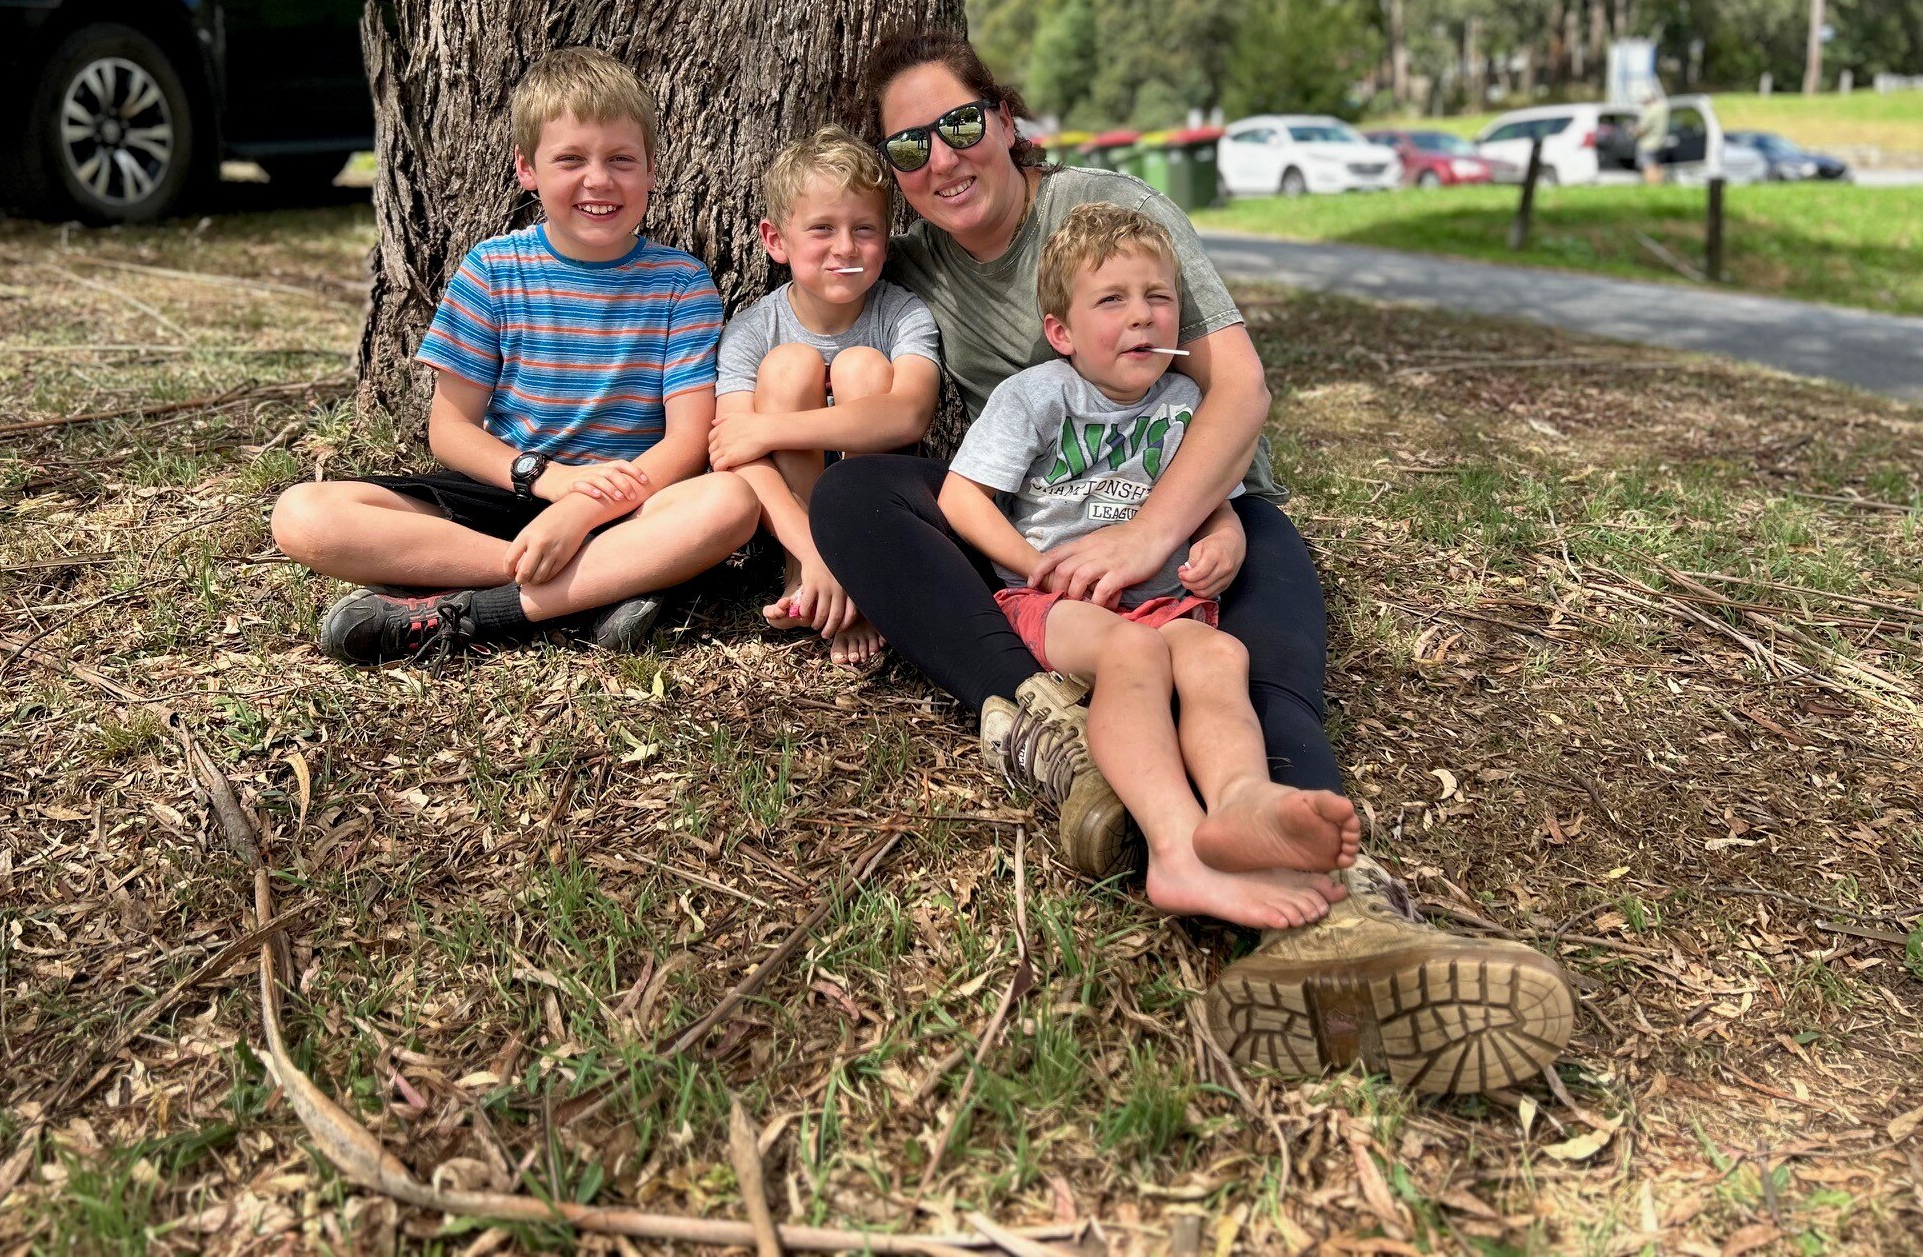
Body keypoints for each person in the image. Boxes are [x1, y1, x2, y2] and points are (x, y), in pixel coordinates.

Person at [808, 30, 1573, 1095]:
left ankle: (1342, 917)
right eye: (908, 147)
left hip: (1198, 516)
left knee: (1247, 639)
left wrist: (1172, 530)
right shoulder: (909, 264)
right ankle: (1064, 747)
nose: (941, 159)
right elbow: (812, 347)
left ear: (1004, 119)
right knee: (855, 500)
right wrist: (823, 552)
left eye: (959, 124)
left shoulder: (1106, 216)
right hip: (1052, 559)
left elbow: (1238, 390)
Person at [940, 203, 1359, 930]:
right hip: (1063, 605)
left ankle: (1239, 800)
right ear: (1061, 332)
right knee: (1133, 652)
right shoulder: (1037, 397)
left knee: (1217, 655)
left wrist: (1226, 535)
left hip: (1167, 602)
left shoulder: (1186, 400)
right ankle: (1174, 849)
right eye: (1113, 300)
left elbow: (1212, 502)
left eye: (1157, 298)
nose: (1142, 317)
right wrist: (1034, 564)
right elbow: (961, 497)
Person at [270, 47, 758, 663]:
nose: (599, 180)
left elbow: (687, 445)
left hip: (633, 502)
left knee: (730, 504)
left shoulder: (680, 283)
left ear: (652, 169)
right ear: (527, 169)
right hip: (510, 492)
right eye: (570, 159)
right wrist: (549, 484)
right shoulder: (493, 271)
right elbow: (448, 431)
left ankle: (476, 609)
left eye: (621, 160)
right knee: (304, 512)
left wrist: (582, 509)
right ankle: (593, 587)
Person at [711, 127, 942, 666]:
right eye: (822, 228)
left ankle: (863, 569)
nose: (845, 247)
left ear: (887, 239)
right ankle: (807, 571)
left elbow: (908, 414)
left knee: (862, 366)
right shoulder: (752, 329)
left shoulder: (902, 314)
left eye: (864, 229)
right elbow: (732, 455)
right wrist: (815, 550)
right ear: (775, 241)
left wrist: (770, 430)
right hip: (792, 527)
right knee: (791, 365)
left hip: (876, 516)